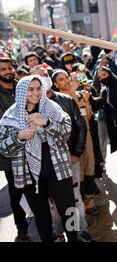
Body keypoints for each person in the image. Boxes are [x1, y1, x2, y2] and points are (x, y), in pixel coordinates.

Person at [0, 75, 78, 242]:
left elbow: (66, 132)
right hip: (29, 176)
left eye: (38, 88)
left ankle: (74, 238)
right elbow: (3, 149)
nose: (35, 93)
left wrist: (47, 122)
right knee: (41, 215)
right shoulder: (10, 116)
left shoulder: (52, 107)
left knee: (70, 210)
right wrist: (18, 137)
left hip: (58, 169)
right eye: (30, 89)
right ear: (21, 91)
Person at [29, 66, 94, 242]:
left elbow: (80, 127)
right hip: (43, 167)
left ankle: (78, 232)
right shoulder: (28, 106)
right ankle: (58, 233)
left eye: (44, 75)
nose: (41, 80)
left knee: (74, 200)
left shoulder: (65, 100)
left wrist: (76, 153)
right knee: (51, 205)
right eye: (37, 77)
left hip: (68, 161)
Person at [53, 70, 99, 216]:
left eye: (66, 77)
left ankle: (90, 202)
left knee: (89, 166)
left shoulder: (79, 94)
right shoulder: (57, 100)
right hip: (73, 141)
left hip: (88, 139)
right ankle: (80, 208)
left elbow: (89, 116)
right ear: (55, 84)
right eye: (61, 79)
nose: (66, 81)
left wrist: (86, 101)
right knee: (78, 172)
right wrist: (73, 91)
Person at [0, 58, 29, 242]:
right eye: (3, 69)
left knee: (37, 190)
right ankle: (22, 229)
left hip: (32, 149)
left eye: (9, 68)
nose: (7, 71)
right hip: (10, 154)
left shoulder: (23, 87)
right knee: (16, 193)